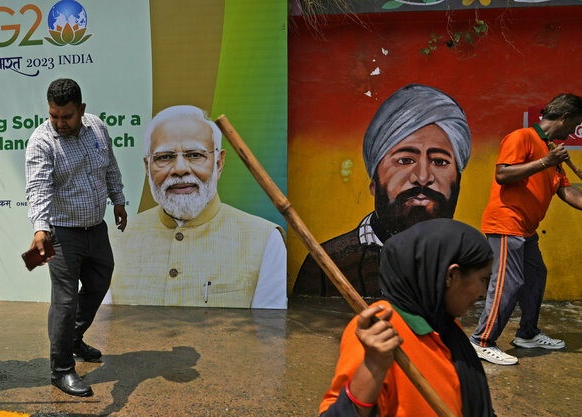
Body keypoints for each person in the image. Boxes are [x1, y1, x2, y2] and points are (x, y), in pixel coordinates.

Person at [295, 84, 471, 298]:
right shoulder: (328, 264)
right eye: (405, 160)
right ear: (374, 181)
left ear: (458, 183)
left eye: (440, 161)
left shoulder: (474, 262)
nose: (423, 177)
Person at [107, 105, 286, 309]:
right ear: (147, 167)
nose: (180, 169)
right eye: (165, 157)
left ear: (218, 163)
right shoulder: (113, 240)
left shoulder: (265, 241)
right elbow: (100, 332)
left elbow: (269, 334)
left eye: (195, 155)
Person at [320, 219, 495, 417]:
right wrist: (373, 365)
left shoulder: (446, 327)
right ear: (451, 275)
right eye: (483, 280)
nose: (483, 293)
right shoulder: (379, 330)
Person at [25, 78, 127, 397]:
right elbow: (38, 189)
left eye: (66, 116)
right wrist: (40, 229)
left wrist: (119, 200)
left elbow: (109, 166)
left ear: (81, 110)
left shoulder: (96, 128)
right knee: (65, 301)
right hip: (62, 233)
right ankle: (61, 370)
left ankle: (72, 338)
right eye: (53, 115)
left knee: (99, 282)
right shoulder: (42, 142)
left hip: (96, 228)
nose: (59, 123)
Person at [470, 93, 582, 366]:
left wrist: (550, 160)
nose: (574, 131)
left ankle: (527, 334)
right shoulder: (521, 137)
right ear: (566, 118)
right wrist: (545, 161)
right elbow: (503, 174)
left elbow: (566, 192)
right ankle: (481, 341)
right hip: (507, 223)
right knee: (508, 283)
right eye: (576, 123)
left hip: (527, 228)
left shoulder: (552, 148)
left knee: (535, 276)